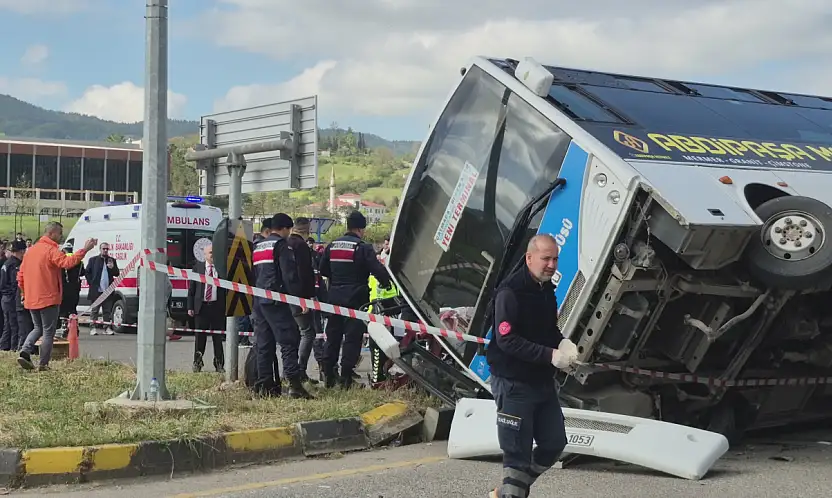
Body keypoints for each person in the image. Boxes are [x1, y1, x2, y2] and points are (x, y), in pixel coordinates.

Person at [485, 234, 579, 498]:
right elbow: (506, 340)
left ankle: (505, 492)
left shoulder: (546, 290)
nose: (551, 264)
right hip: (513, 383)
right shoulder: (510, 292)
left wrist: (563, 344)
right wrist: (549, 355)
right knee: (517, 456)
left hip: (541, 383)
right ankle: (510, 492)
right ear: (529, 258)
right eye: (546, 258)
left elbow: (548, 330)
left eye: (555, 259)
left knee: (554, 443)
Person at [319, 211, 392, 389]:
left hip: (334, 298)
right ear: (361, 228)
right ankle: (346, 377)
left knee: (333, 337)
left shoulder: (332, 245)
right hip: (356, 300)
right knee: (352, 337)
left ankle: (329, 374)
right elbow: (376, 268)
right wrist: (387, 283)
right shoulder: (362, 247)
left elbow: (323, 269)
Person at [17, 223, 95, 371]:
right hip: (49, 297)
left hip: (32, 298)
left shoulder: (30, 252)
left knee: (37, 328)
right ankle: (43, 364)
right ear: (52, 233)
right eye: (60, 234)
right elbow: (67, 262)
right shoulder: (51, 250)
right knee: (48, 331)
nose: (61, 237)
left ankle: (25, 351)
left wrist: (24, 293)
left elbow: (20, 276)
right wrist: (85, 249)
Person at [251, 213, 312, 399]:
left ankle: (265, 386)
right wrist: (299, 300)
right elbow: (289, 275)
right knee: (289, 341)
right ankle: (294, 385)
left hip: (259, 300)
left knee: (264, 344)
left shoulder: (258, 245)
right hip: (276, 300)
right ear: (285, 228)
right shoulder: (281, 245)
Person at [286, 217, 325, 384]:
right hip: (298, 296)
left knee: (293, 334)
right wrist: (305, 299)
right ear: (307, 230)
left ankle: (291, 370)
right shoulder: (300, 246)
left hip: (283, 295)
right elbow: (304, 274)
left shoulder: (284, 243)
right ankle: (300, 370)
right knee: (308, 332)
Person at [186, 243, 226, 372]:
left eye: (215, 252)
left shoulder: (221, 268)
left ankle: (219, 364)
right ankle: (197, 362)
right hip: (201, 307)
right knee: (200, 338)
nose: (213, 255)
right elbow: (192, 289)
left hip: (217, 307)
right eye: (210, 253)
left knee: (217, 338)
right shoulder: (198, 268)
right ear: (205, 254)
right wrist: (190, 307)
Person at [85, 242, 120, 335]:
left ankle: (107, 328)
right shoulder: (93, 260)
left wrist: (112, 268)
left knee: (107, 311)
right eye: (103, 249)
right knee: (95, 310)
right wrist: (91, 283)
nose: (105, 250)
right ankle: (93, 327)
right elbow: (87, 272)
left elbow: (117, 273)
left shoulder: (111, 260)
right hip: (96, 290)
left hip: (107, 290)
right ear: (100, 249)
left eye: (107, 249)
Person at [0, 240, 26, 351]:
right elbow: (15, 284)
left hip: (5, 298)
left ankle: (4, 348)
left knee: (8, 325)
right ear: (21, 251)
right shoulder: (15, 264)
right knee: (14, 326)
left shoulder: (7, 262)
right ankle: (13, 348)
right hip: (11, 298)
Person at [58, 241, 85, 337]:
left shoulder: (64, 259)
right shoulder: (79, 261)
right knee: (73, 309)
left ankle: (64, 328)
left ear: (64, 250)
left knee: (64, 310)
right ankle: (75, 327)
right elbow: (82, 273)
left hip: (65, 288)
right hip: (75, 288)